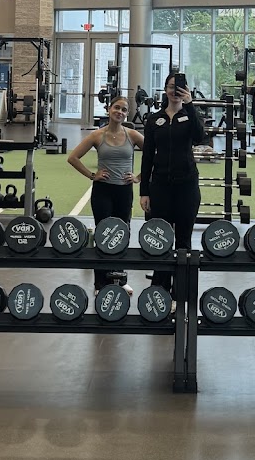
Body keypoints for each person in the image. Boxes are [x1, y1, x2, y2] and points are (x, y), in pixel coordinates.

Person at [66, 95, 143, 295]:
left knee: (122, 234)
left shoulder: (133, 135)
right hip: (103, 191)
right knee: (103, 235)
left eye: (124, 109)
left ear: (127, 114)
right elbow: (73, 158)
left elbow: (155, 155)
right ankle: (100, 283)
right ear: (109, 109)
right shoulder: (97, 136)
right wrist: (93, 175)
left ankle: (120, 279)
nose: (120, 112)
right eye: (117, 107)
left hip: (124, 191)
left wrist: (138, 177)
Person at [140, 71, 204, 297]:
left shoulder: (189, 115)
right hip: (161, 187)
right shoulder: (153, 119)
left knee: (183, 240)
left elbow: (199, 137)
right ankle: (159, 291)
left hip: (186, 187)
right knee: (160, 238)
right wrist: (144, 191)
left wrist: (190, 104)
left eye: (179, 87)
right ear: (165, 89)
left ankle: (180, 292)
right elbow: (147, 156)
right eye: (171, 86)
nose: (175, 91)